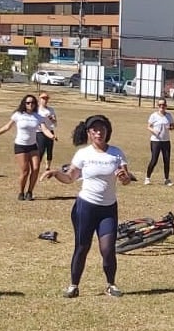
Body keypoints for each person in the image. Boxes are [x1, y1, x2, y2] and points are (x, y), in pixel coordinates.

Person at [43, 115, 129, 298]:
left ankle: (111, 285)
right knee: (82, 247)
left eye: (102, 129)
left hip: (108, 209)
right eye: (95, 130)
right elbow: (70, 177)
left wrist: (124, 177)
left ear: (107, 131)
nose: (99, 133)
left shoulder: (116, 153)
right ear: (89, 133)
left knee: (108, 249)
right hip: (86, 208)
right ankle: (73, 286)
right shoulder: (83, 154)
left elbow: (126, 179)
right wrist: (56, 173)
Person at [0, 94, 56, 201]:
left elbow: (45, 129)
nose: (30, 104)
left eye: (32, 103)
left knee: (36, 169)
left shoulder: (38, 116)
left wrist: (52, 136)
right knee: (25, 171)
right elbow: (7, 127)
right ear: (24, 104)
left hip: (33, 146)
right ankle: (21, 192)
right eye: (28, 103)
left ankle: (30, 192)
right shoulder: (18, 115)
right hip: (21, 146)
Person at [145, 99, 174, 185]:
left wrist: (170, 128)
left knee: (166, 160)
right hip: (156, 141)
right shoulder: (154, 116)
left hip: (166, 141)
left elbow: (172, 127)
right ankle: (147, 178)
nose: (162, 106)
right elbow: (148, 126)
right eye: (160, 105)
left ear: (166, 106)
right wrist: (154, 131)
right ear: (158, 105)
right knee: (154, 160)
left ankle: (166, 179)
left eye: (163, 105)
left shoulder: (169, 116)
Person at [35, 92, 58, 171]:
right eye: (43, 98)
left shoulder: (51, 110)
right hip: (39, 132)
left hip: (50, 131)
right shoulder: (36, 110)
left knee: (49, 150)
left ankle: (47, 167)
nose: (45, 100)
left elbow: (55, 122)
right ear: (39, 99)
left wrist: (52, 118)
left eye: (46, 98)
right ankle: (36, 165)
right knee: (40, 150)